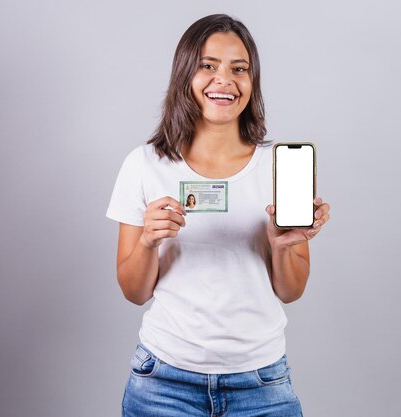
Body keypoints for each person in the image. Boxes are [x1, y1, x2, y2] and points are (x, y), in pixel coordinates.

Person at [106, 14, 331, 417]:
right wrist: (147, 241)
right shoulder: (144, 164)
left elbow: (291, 291)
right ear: (184, 76)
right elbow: (134, 291)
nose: (224, 80)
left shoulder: (275, 167)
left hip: (261, 384)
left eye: (239, 69)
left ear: (252, 82)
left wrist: (282, 246)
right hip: (163, 383)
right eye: (208, 66)